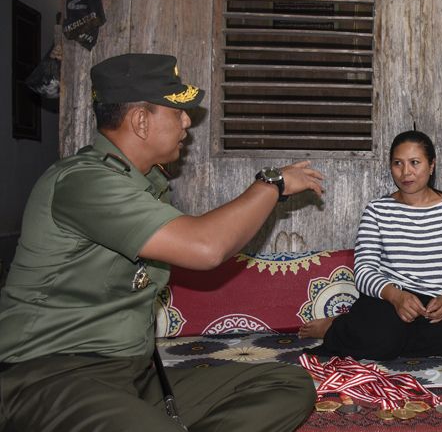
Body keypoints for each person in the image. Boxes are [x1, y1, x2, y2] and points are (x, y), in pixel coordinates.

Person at [0, 53, 325, 432]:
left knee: (286, 383)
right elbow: (205, 247)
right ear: (140, 120)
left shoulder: (145, 186)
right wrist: (273, 183)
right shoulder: (83, 182)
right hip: (51, 377)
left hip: (130, 378)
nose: (187, 122)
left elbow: (203, 234)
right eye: (177, 111)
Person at [299, 130, 442, 360]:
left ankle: (351, 329)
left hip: (434, 307)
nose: (406, 172)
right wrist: (396, 297)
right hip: (387, 302)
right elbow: (364, 270)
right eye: (398, 163)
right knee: (386, 334)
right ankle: (346, 330)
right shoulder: (377, 210)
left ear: (432, 165)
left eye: (415, 163)